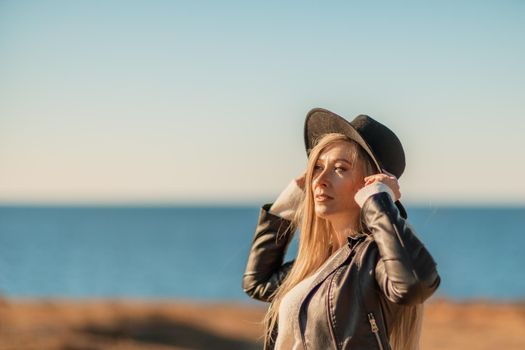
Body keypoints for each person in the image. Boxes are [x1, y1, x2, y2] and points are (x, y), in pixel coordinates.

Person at [242, 108, 440, 350]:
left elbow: (415, 283)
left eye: (340, 168)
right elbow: (257, 282)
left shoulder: (372, 257)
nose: (320, 179)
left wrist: (379, 199)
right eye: (317, 167)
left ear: (370, 183)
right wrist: (294, 197)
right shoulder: (321, 261)